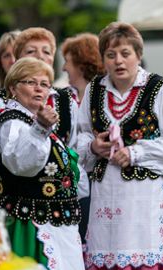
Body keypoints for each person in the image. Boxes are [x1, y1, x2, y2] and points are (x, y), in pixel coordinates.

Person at [77, 21, 163, 270]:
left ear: (138, 55)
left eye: (125, 53)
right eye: (111, 54)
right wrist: (94, 146)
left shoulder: (160, 89)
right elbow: (78, 139)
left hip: (147, 198)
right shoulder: (94, 91)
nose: (118, 61)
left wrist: (135, 153)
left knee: (144, 260)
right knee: (106, 259)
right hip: (106, 197)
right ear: (103, 59)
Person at [0, 57, 87, 270]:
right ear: (12, 88)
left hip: (56, 223)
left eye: (45, 83)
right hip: (31, 224)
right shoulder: (12, 122)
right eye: (31, 82)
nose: (40, 88)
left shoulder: (31, 120)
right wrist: (40, 128)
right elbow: (21, 163)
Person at [61, 32, 104, 242]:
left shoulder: (101, 97)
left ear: (81, 62)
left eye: (67, 61)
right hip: (75, 184)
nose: (63, 68)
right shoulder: (64, 97)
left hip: (98, 180)